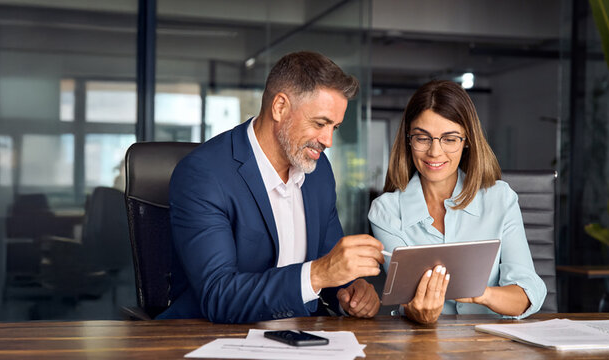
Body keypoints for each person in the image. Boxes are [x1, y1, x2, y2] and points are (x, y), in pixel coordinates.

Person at [159, 51, 385, 323]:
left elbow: (329, 261)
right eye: (320, 123)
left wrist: (352, 290)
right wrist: (318, 274)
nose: (328, 141)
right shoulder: (203, 174)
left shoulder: (318, 171)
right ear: (279, 107)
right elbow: (217, 295)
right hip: (213, 336)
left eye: (334, 127)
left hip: (302, 335)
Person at [368, 80, 547, 324]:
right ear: (408, 140)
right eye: (422, 138)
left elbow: (527, 293)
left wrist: (481, 294)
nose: (435, 152)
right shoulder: (385, 211)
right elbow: (406, 299)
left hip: (489, 345)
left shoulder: (500, 199)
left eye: (449, 139)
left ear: (467, 141)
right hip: (420, 344)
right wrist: (419, 312)